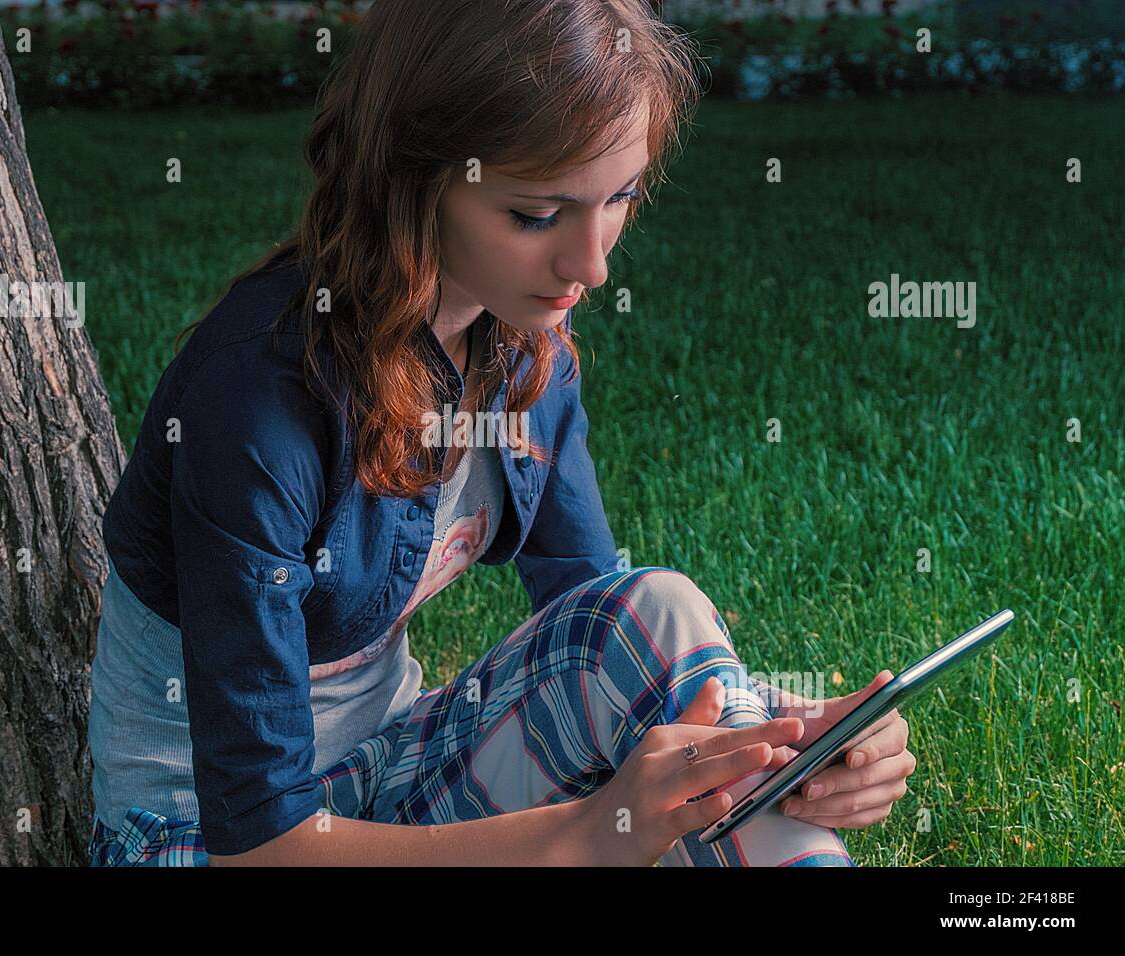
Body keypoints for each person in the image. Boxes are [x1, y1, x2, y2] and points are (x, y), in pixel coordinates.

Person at [88, 0, 915, 867]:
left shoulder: (528, 350)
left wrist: (788, 738)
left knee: (655, 611)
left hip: (396, 764)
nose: (590, 265)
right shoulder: (255, 399)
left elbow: (606, 628)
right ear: (414, 176)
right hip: (205, 839)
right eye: (535, 215)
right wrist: (589, 835)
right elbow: (260, 838)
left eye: (620, 198)